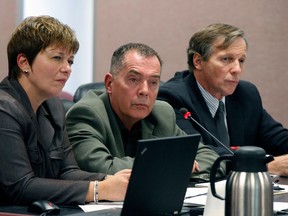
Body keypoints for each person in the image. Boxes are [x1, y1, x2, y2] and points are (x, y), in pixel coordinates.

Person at [0, 15, 130, 205]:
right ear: (23, 62)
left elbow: (67, 171)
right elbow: (20, 187)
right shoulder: (4, 110)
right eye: (57, 58)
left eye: (70, 61)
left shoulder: (54, 107)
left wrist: (110, 180)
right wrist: (99, 189)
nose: (67, 68)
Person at [66, 42, 226, 182]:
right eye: (133, 79)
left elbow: (210, 158)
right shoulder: (86, 114)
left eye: (153, 82)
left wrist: (171, 168)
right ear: (109, 84)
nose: (144, 91)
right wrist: (172, 165)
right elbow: (103, 169)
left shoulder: (161, 113)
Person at [157, 23, 288, 176]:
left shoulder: (245, 94)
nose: (237, 69)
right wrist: (262, 165)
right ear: (198, 61)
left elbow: (278, 138)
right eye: (226, 59)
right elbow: (200, 154)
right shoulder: (173, 99)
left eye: (241, 60)